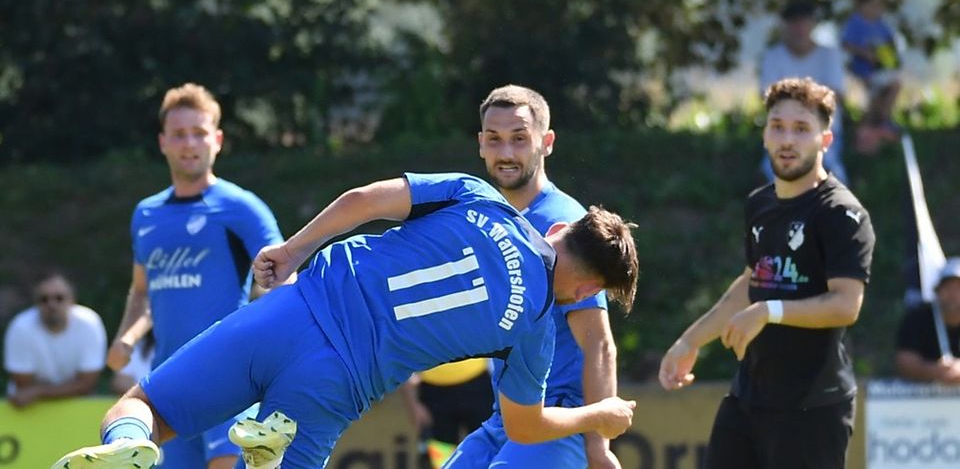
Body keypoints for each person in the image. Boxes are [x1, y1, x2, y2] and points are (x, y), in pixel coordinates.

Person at [52, 172, 640, 469]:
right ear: (589, 288)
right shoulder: (534, 333)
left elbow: (364, 200)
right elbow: (526, 425)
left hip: (292, 310)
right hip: (338, 383)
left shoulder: (480, 195)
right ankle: (267, 445)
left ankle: (129, 447)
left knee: (142, 406)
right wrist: (600, 414)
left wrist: (294, 249)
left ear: (559, 230)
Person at [658, 77, 876, 469]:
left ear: (826, 140)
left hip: (813, 405)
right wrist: (689, 342)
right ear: (765, 136)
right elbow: (750, 283)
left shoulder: (842, 214)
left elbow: (846, 305)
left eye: (801, 129)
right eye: (777, 126)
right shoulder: (759, 204)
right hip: (749, 398)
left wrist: (769, 311)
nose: (787, 139)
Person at [103, 83, 288, 469]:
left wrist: (276, 351)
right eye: (179, 134)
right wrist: (127, 336)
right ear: (162, 142)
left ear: (217, 140)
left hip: (228, 377)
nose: (190, 143)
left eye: (199, 133)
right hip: (167, 386)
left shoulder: (241, 208)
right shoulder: (146, 214)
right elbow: (142, 291)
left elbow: (285, 278)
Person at [446, 84, 623, 469]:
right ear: (480, 144)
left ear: (547, 142)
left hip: (562, 419)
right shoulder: (487, 217)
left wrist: (598, 447)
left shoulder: (566, 227)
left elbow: (599, 345)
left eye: (520, 139)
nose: (506, 153)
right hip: (507, 418)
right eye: (495, 139)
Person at [759, 0, 848, 184]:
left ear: (812, 24)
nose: (798, 28)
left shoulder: (829, 56)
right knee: (770, 173)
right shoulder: (773, 56)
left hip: (823, 131)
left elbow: (835, 96)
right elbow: (768, 98)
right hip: (783, 133)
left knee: (832, 173)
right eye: (793, 23)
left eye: (803, 22)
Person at [4, 271, 107, 409]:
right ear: (36, 303)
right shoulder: (20, 328)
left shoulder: (90, 324)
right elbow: (23, 384)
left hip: (77, 405)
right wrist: (69, 389)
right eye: (44, 299)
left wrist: (38, 391)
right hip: (30, 409)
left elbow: (87, 384)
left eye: (59, 298)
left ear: (72, 300)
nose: (52, 304)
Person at [841, 0, 902, 154]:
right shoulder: (855, 22)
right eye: (873, 4)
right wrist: (865, 53)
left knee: (893, 87)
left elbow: (891, 44)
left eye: (880, 5)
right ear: (862, 4)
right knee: (871, 101)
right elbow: (845, 44)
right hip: (859, 74)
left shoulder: (881, 24)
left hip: (879, 73)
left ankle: (881, 123)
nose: (877, 8)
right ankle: (867, 137)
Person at [895, 258, 960, 384]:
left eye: (958, 288)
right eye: (948, 288)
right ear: (937, 291)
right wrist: (937, 371)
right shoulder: (917, 319)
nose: (953, 295)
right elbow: (904, 362)